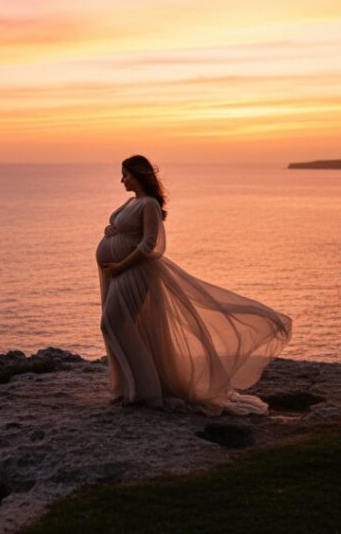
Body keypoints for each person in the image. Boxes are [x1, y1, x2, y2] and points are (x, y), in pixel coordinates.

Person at [96, 155, 293, 416]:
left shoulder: (149, 205)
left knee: (112, 324)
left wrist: (121, 266)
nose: (122, 180)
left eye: (126, 175)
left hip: (134, 273)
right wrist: (112, 232)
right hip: (119, 273)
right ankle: (130, 389)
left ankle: (142, 392)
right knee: (126, 328)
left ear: (139, 175)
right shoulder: (132, 202)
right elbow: (125, 230)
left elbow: (149, 245)